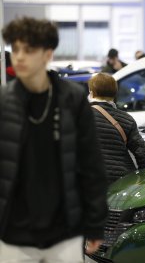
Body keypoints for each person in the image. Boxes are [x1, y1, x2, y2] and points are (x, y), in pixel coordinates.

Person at [0, 17, 108, 262]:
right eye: (15, 49)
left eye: (28, 50)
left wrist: (95, 223)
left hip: (65, 230)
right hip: (13, 233)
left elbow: (91, 163)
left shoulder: (72, 99)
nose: (18, 57)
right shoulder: (4, 102)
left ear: (48, 54)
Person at [88, 72, 145, 183]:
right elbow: (142, 153)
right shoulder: (126, 119)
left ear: (91, 93)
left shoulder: (78, 117)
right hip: (122, 181)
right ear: (114, 93)